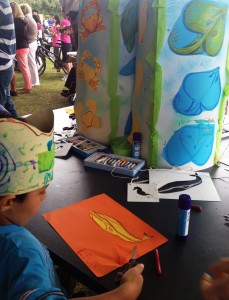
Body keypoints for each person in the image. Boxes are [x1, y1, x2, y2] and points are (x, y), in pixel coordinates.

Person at [0, 108, 144, 300]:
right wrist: (124, 294)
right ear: (8, 202)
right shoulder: (22, 251)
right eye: (41, 191)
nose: (44, 197)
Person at [0, 0, 19, 117]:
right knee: (7, 104)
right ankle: (24, 131)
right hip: (5, 64)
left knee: (2, 108)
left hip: (2, 65)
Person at [10, 1, 32, 93]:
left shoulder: (17, 21)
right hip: (23, 46)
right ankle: (28, 86)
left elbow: (16, 35)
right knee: (25, 67)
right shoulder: (22, 20)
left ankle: (28, 87)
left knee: (24, 68)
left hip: (20, 46)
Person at [21, 3, 40, 87]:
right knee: (31, 63)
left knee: (31, 63)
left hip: (31, 43)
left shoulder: (26, 18)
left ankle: (35, 81)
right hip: (33, 42)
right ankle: (34, 81)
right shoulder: (30, 18)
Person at [60, 11, 72, 79]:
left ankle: (68, 75)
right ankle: (69, 74)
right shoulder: (69, 21)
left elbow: (60, 31)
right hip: (69, 41)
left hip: (65, 41)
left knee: (66, 59)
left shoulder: (64, 21)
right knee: (69, 59)